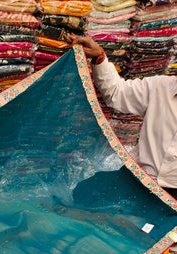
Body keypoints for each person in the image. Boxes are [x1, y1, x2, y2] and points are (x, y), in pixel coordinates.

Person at [69, 34, 177, 197]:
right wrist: (99, 57)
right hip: (138, 179)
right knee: (82, 194)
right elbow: (117, 92)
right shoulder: (161, 87)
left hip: (173, 195)